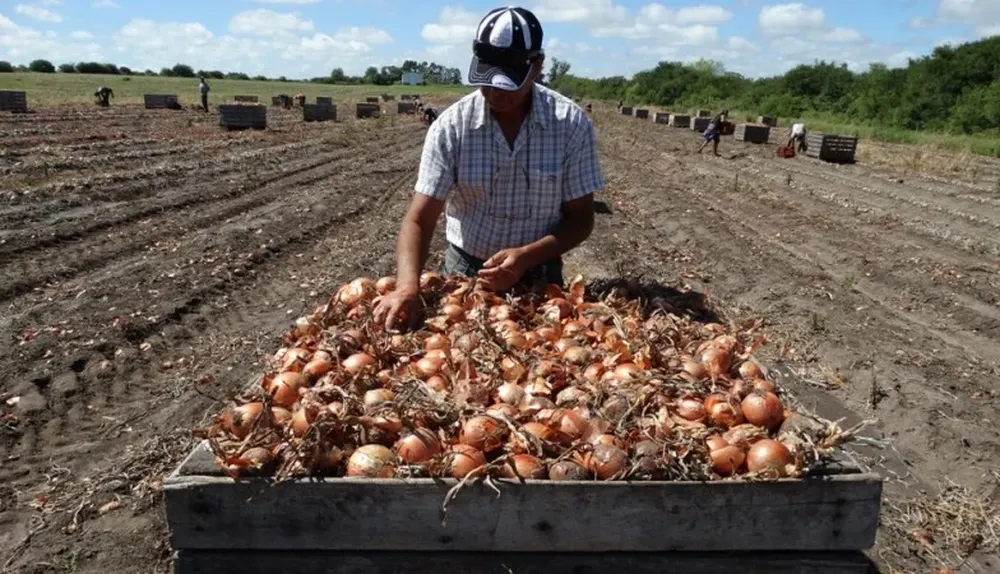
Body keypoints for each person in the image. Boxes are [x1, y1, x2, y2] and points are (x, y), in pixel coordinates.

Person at [373, 5, 604, 331]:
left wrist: (526, 257)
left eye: (508, 82)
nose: (495, 92)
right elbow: (420, 218)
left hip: (539, 273)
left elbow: (581, 220)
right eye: (487, 79)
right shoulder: (451, 127)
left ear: (537, 67)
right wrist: (408, 286)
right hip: (466, 269)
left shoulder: (570, 124)